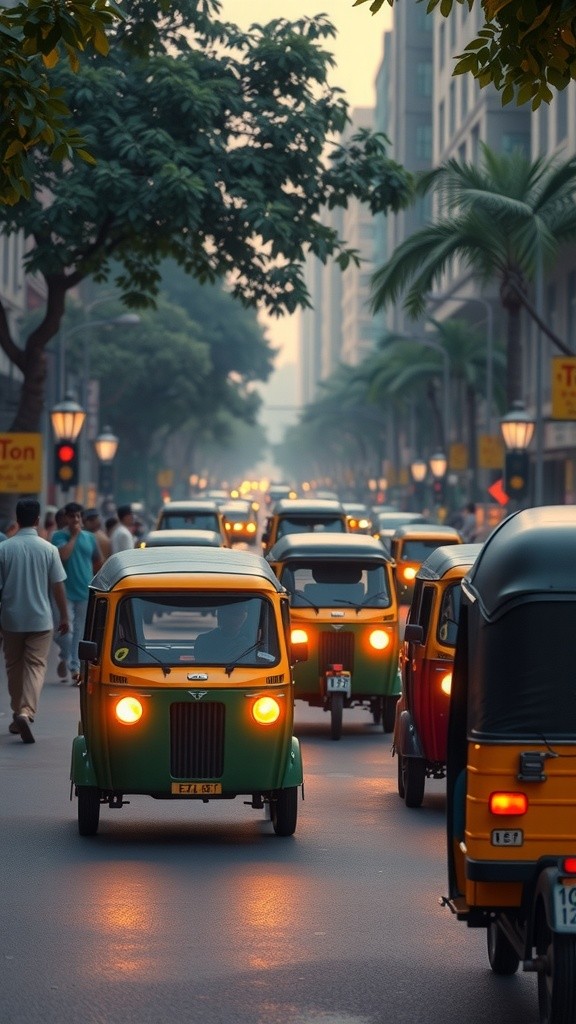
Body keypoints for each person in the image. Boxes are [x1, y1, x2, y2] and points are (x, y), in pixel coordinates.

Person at [0, 498, 69, 743]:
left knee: (14, 667)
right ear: (38, 520)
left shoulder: (4, 549)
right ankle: (26, 712)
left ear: (17, 520)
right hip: (40, 620)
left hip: (10, 620)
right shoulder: (48, 549)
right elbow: (58, 586)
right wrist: (64, 615)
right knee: (36, 666)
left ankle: (17, 715)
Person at [51, 501, 103, 683]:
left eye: (78, 516)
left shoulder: (90, 538)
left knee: (79, 631)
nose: (75, 519)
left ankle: (75, 667)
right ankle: (66, 656)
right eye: (72, 516)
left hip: (84, 589)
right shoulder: (58, 537)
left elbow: (97, 561)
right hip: (63, 590)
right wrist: (73, 537)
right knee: (62, 630)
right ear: (66, 518)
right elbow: (63, 555)